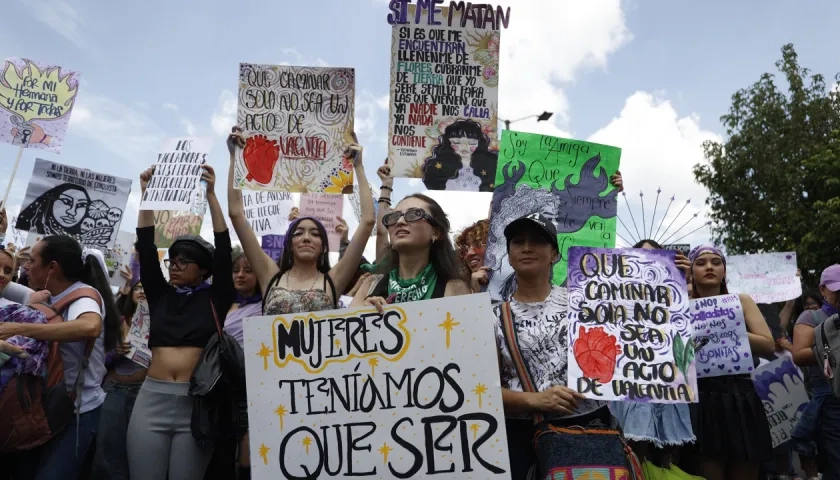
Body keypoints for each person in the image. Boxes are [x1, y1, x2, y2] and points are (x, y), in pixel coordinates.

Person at [126, 163, 235, 480]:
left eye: (184, 262)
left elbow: (224, 247)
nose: (174, 266)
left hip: (196, 406)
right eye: (172, 261)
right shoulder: (159, 294)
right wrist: (147, 195)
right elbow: (146, 246)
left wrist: (211, 195)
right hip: (151, 401)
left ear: (203, 269)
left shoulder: (216, 297)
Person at [493, 213, 622, 479]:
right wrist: (535, 400)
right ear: (509, 254)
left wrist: (674, 278)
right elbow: (482, 390)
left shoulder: (588, 304)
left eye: (538, 241)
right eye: (518, 242)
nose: (527, 248)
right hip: (519, 437)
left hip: (588, 428)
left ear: (554, 254)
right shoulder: (491, 317)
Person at [0, 236, 120, 480]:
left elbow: (89, 327)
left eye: (32, 261)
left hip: (78, 412)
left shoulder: (83, 297)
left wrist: (18, 328)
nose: (26, 266)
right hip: (48, 406)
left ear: (51, 267)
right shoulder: (47, 295)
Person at [226, 127, 375, 316]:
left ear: (323, 245)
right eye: (298, 233)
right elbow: (236, 214)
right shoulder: (269, 275)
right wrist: (235, 159)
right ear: (289, 243)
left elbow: (368, 221)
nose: (306, 238)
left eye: (315, 234)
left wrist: (358, 167)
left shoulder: (334, 280)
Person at [609, 239, 699, 479]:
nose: (647, 260)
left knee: (666, 458)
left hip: (666, 387)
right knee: (627, 452)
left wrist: (685, 280)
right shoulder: (613, 297)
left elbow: (693, 328)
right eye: (639, 255)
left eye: (655, 256)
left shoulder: (676, 297)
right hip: (626, 384)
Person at [685, 245, 775, 480]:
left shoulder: (742, 301)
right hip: (701, 398)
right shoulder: (681, 306)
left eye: (716, 262)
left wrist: (727, 328)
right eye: (701, 262)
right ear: (691, 271)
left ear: (724, 270)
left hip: (740, 397)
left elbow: (768, 345)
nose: (709, 267)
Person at [353, 193, 471, 309]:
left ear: (436, 232)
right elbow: (344, 326)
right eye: (394, 216)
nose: (400, 221)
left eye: (414, 214)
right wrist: (361, 315)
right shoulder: (370, 285)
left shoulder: (455, 287)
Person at [91, 266, 147, 480]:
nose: (141, 291)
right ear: (130, 293)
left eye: (145, 288)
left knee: (138, 447)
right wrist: (115, 353)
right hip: (115, 389)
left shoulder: (160, 321)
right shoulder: (116, 320)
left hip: (144, 390)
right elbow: (100, 357)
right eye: (137, 288)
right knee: (108, 446)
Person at [791, 265, 840, 479]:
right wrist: (833, 347)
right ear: (823, 290)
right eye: (837, 290)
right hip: (831, 400)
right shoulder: (811, 318)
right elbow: (799, 354)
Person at [421, 119, 497, 192]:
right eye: (456, 142)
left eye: (472, 143)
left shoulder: (489, 165)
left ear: (479, 144)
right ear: (448, 143)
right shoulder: (440, 166)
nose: (464, 146)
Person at [455, 219, 491, 293]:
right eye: (465, 249)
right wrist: (473, 291)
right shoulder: (459, 289)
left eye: (477, 244)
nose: (469, 253)